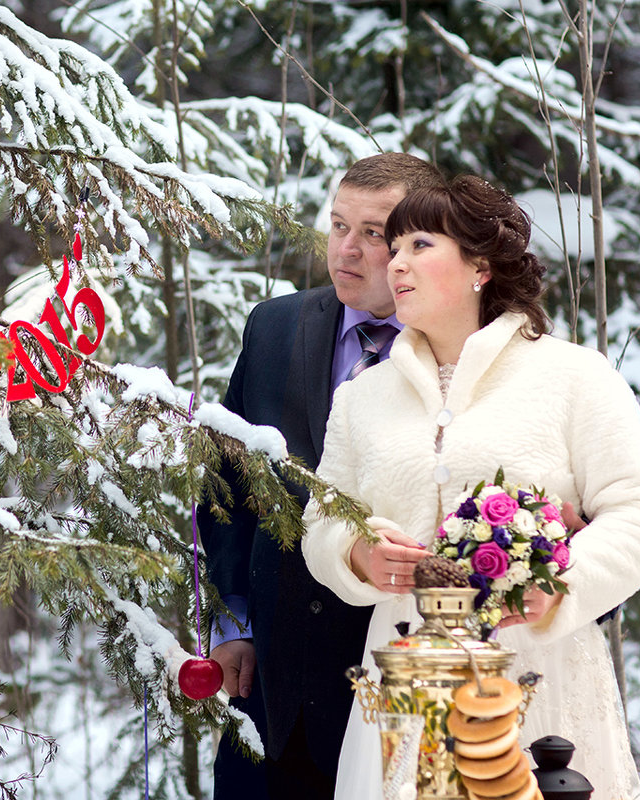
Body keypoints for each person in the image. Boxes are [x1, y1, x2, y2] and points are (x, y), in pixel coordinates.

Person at [301, 175, 640, 799]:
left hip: (540, 673)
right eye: (396, 245)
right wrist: (357, 553)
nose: (395, 262)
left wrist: (560, 588)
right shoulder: (360, 398)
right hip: (401, 678)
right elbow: (321, 523)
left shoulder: (573, 376)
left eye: (419, 245)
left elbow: (636, 512)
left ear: (479, 268)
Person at [198, 152, 446, 799]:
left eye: (373, 233)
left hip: (401, 692)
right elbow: (226, 488)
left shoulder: (464, 351)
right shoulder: (274, 327)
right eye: (339, 226)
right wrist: (235, 626)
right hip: (270, 696)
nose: (348, 250)